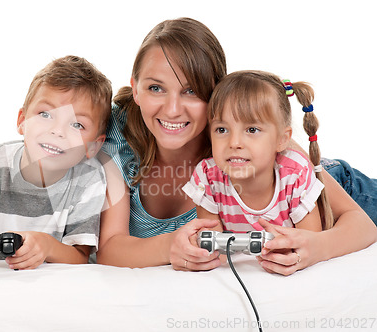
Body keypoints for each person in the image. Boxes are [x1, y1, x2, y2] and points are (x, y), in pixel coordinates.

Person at [96, 17, 377, 275]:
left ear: (216, 96)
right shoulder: (118, 136)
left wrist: (318, 247)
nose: (172, 110)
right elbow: (110, 249)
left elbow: (361, 224)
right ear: (135, 87)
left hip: (344, 186)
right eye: (156, 88)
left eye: (191, 91)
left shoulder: (239, 140)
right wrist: (169, 247)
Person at [0, 55, 112, 274]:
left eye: (77, 124)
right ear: (22, 121)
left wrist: (47, 246)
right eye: (45, 114)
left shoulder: (89, 180)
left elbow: (81, 257)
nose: (57, 131)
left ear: (94, 146)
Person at [183, 70, 331, 238]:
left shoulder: (297, 175)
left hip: (346, 180)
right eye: (222, 129)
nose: (234, 143)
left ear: (282, 139)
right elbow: (215, 248)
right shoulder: (207, 178)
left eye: (252, 129)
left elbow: (309, 244)